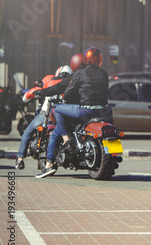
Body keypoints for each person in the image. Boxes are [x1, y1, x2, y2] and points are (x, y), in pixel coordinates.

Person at [36, 48, 108, 178]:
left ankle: (64, 143)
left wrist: (63, 99)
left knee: (57, 110)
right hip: (101, 111)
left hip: (84, 110)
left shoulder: (80, 73)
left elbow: (66, 90)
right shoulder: (104, 74)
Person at [15, 57, 82, 169]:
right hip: (64, 115)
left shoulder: (49, 80)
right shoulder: (71, 82)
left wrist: (26, 97)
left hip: (46, 114)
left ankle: (20, 159)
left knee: (27, 133)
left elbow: (29, 95)